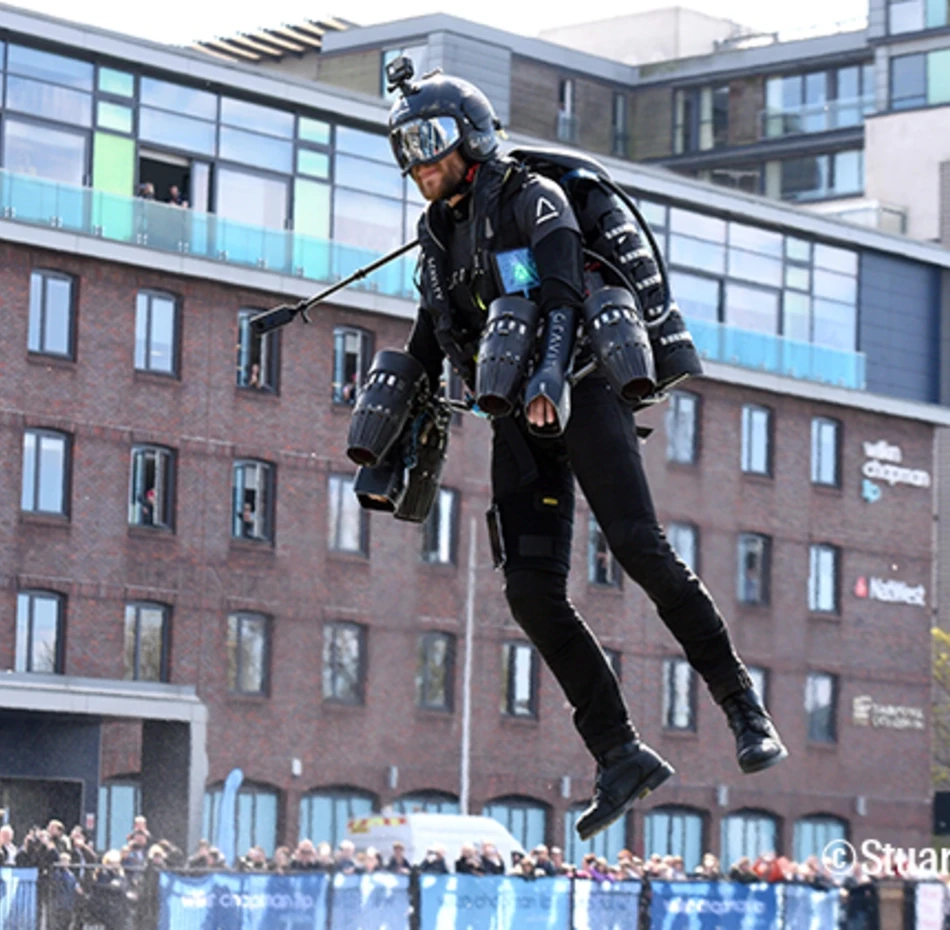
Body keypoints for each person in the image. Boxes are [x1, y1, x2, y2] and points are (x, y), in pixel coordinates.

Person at [384, 60, 787, 842]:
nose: (418, 162)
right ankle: (619, 751)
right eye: (406, 148)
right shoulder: (438, 234)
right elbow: (432, 332)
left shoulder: (536, 197)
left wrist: (546, 383)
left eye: (429, 142)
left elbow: (563, 294)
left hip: (581, 386)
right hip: (516, 418)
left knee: (639, 547)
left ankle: (744, 707)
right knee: (531, 592)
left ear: (470, 137)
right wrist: (388, 428)